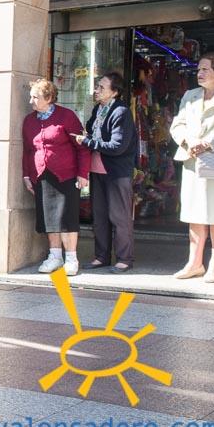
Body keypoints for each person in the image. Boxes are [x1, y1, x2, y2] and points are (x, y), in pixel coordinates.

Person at [169, 51, 214, 283]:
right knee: (194, 214)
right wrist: (187, 141)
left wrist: (207, 143)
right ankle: (194, 263)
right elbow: (177, 124)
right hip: (192, 159)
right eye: (198, 69)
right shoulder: (190, 95)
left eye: (205, 69)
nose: (199, 73)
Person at [22, 78, 90, 277]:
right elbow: (27, 151)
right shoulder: (29, 121)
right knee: (49, 218)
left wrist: (83, 173)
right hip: (42, 176)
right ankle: (55, 256)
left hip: (66, 175)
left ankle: (71, 258)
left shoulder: (66, 116)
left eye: (35, 97)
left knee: (68, 218)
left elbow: (82, 147)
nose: (31, 101)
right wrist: (26, 175)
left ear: (49, 98)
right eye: (31, 97)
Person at [73, 73, 137, 274]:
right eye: (97, 86)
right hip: (96, 169)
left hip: (117, 172)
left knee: (119, 217)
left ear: (114, 92)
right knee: (99, 217)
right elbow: (90, 130)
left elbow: (117, 146)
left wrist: (88, 142)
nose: (96, 90)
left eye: (101, 87)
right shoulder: (98, 109)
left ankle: (124, 259)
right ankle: (101, 256)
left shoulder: (121, 112)